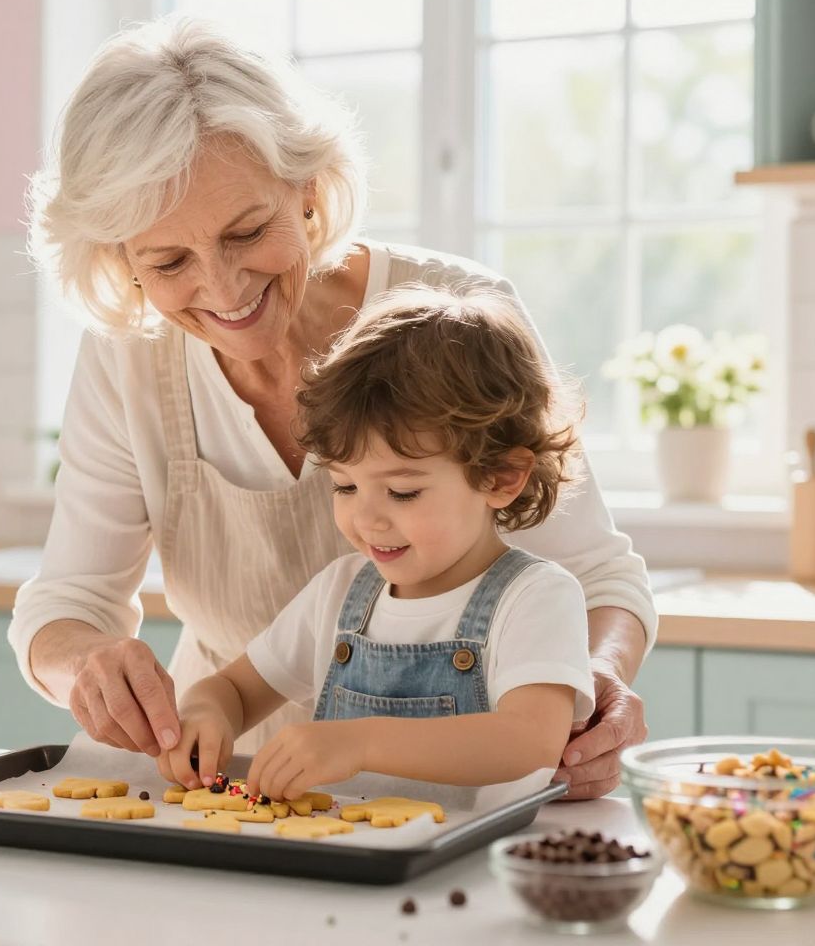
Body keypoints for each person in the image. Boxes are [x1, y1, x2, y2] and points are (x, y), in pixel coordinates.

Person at [10, 16, 653, 799]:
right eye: (169, 261)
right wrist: (89, 667)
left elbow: (594, 577)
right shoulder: (128, 360)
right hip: (235, 791)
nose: (223, 287)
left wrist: (585, 687)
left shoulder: (455, 315)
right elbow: (69, 604)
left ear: (308, 194)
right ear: (120, 261)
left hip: (461, 802)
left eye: (247, 232)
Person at [157, 285, 592, 797]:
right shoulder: (338, 593)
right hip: (339, 862)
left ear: (500, 477)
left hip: (468, 869)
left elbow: (528, 742)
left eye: (402, 492)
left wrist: (357, 743)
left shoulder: (536, 597)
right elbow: (232, 688)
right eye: (344, 485)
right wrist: (207, 713)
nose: (366, 518)